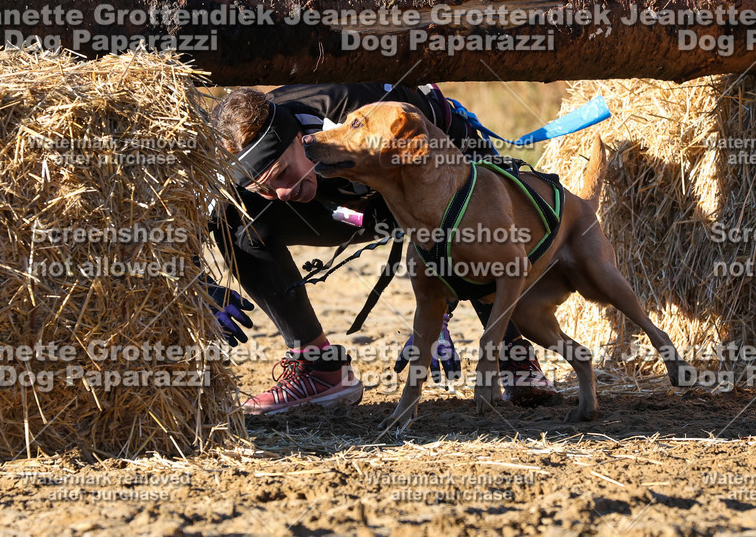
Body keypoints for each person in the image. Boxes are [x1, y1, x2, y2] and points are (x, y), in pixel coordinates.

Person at [208, 82, 562, 415]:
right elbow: (171, 221)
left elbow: (471, 183)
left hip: (436, 182)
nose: (283, 193)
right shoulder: (220, 168)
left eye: (284, 173)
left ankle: (515, 356)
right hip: (349, 207)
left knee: (470, 225)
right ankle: (318, 369)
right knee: (232, 218)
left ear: (300, 139)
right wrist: (199, 290)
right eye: (265, 188)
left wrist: (442, 305)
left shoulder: (365, 106)